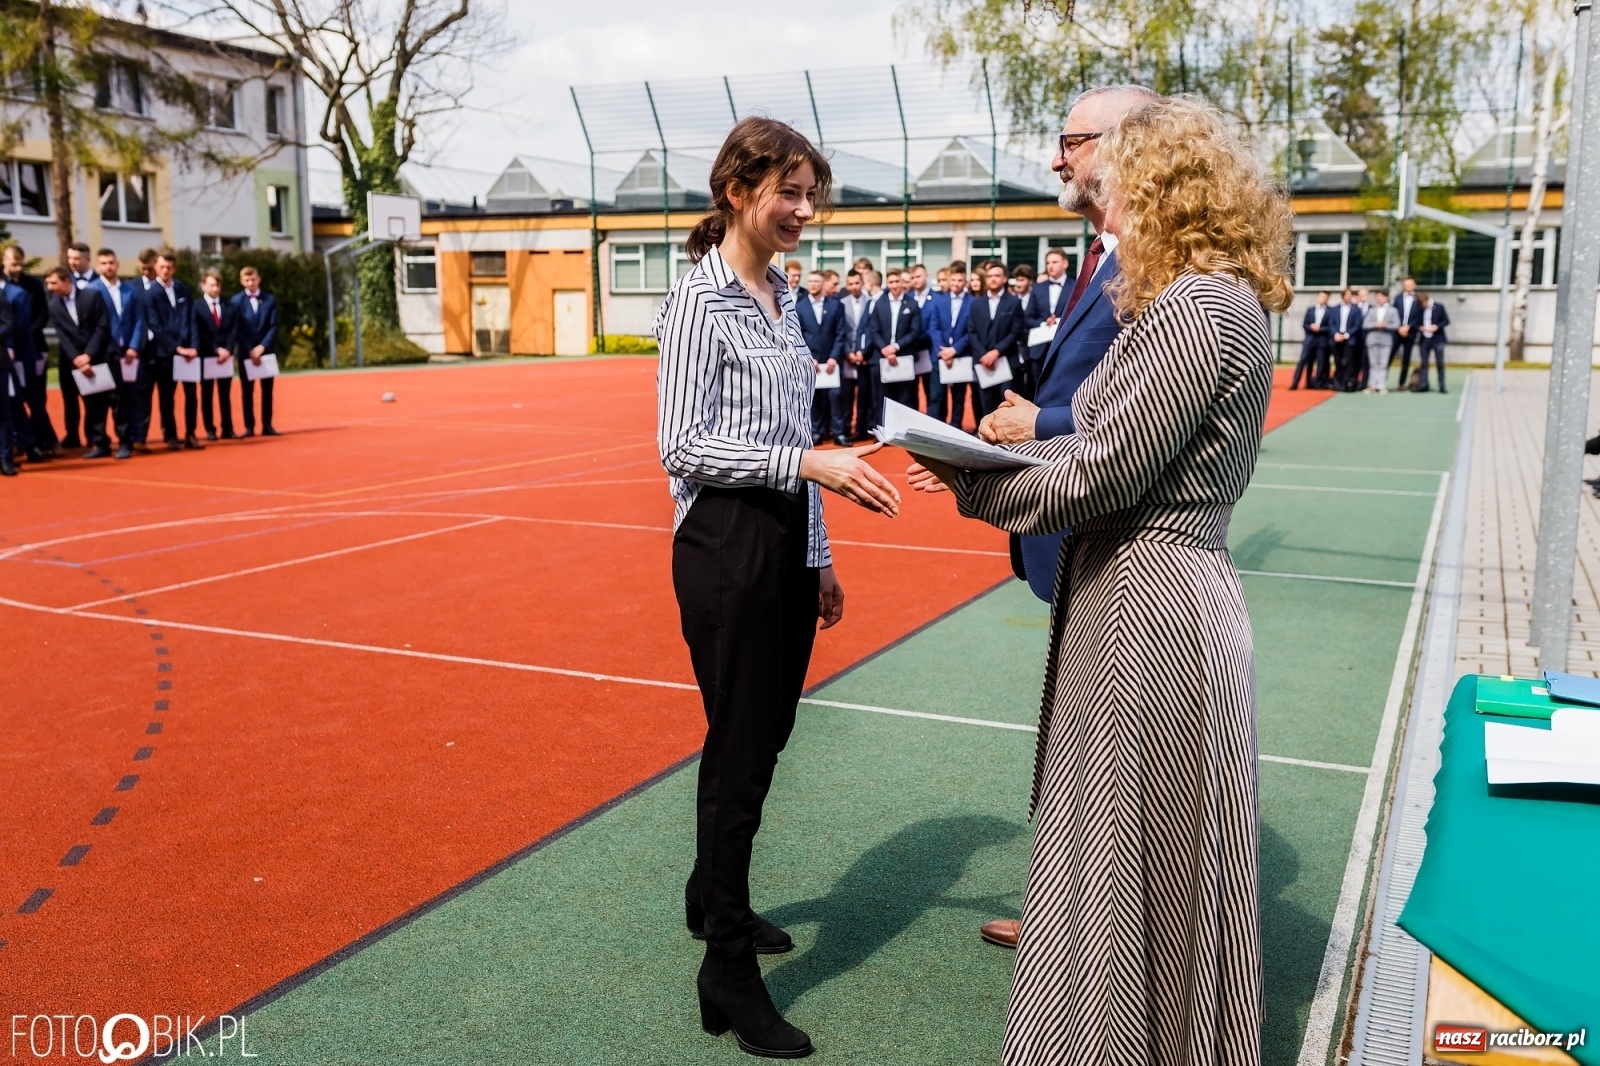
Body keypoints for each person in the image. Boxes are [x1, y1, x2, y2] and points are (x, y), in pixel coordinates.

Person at [908, 94, 1289, 1066]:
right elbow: (1101, 442)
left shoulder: (1197, 307)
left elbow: (1102, 469)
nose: (1098, 199)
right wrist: (987, 455)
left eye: (1112, 181)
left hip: (1147, 605)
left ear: (1159, 189)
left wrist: (969, 476)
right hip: (1137, 590)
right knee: (1124, 848)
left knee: (1123, 849)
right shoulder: (1192, 301)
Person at [654, 116, 902, 1060]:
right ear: (736, 191)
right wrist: (806, 464)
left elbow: (797, 441)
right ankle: (725, 965)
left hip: (785, 540)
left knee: (762, 738)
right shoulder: (697, 302)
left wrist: (820, 554)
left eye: (811, 196)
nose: (804, 211)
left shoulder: (784, 295)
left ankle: (710, 893)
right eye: (788, 193)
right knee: (741, 750)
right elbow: (682, 446)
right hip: (724, 541)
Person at [969, 82, 1154, 950]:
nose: (1056, 159)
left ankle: (1092, 929)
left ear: (1128, 143)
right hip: (1082, 533)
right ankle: (1067, 909)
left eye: (1071, 140)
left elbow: (1130, 417)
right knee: (1078, 742)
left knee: (1106, 754)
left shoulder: (1159, 267)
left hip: (1120, 545)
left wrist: (1027, 433)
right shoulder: (1106, 254)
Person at [43, 266, 114, 459]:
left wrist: (89, 355)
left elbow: (102, 326)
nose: (50, 287)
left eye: (54, 283)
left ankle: (99, 441)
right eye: (48, 283)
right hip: (72, 361)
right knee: (70, 400)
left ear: (67, 281)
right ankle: (76, 437)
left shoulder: (92, 296)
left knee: (96, 403)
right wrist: (78, 358)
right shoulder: (53, 305)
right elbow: (62, 336)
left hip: (96, 357)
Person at [143, 250, 203, 450]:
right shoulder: (150, 293)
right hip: (166, 354)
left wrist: (194, 347)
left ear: (174, 269)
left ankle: (191, 434)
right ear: (155, 267)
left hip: (189, 354)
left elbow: (192, 319)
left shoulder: (184, 289)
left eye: (169, 267)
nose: (165, 270)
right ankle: (171, 436)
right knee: (167, 397)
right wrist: (176, 348)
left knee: (191, 396)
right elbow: (154, 325)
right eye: (162, 267)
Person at [3, 244, 56, 458]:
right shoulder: (3, 286)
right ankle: (17, 442)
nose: (17, 268)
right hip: (6, 352)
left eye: (20, 264)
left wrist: (26, 335)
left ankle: (44, 440)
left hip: (27, 351)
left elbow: (41, 315)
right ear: (4, 262)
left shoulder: (30, 286)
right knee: (10, 400)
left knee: (32, 397)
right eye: (14, 264)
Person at [93, 249, 145, 458]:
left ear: (117, 264)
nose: (108, 266)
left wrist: (133, 346)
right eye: (104, 263)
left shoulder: (130, 290)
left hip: (126, 354)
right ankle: (100, 443)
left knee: (123, 400)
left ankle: (125, 441)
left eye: (111, 262)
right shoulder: (91, 290)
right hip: (102, 353)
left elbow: (139, 319)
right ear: (98, 266)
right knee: (98, 401)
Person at [967, 260, 1026, 421]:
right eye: (990, 276)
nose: (993, 279)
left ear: (1004, 278)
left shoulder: (1014, 302)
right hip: (983, 362)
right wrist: (983, 355)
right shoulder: (976, 304)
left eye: (997, 275)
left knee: (1005, 406)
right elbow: (972, 332)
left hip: (1006, 361)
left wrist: (996, 352)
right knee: (986, 405)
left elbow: (1016, 332)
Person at [866, 266, 926, 420]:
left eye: (897, 281)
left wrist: (895, 347)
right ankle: (884, 430)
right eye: (891, 282)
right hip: (883, 357)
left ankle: (906, 430)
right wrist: (885, 349)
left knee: (905, 398)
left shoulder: (912, 303)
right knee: (883, 399)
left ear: (902, 282)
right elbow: (873, 330)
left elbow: (914, 332)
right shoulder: (880, 303)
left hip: (904, 357)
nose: (894, 285)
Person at [796, 269, 846, 445]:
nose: (812, 284)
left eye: (816, 281)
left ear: (823, 283)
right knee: (814, 398)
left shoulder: (836, 306)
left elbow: (841, 333)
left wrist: (834, 357)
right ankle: (816, 432)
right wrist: (809, 357)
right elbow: (798, 335)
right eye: (810, 281)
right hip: (811, 362)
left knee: (836, 397)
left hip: (832, 362)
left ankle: (839, 433)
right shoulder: (799, 306)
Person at [230, 266, 279, 437]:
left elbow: (274, 326)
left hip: (266, 351)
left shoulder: (269, 299)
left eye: (253, 279)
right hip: (246, 353)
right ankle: (249, 427)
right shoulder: (236, 301)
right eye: (247, 280)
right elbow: (237, 328)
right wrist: (250, 348)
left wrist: (262, 346)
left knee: (267, 392)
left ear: (259, 279)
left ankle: (267, 425)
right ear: (241, 281)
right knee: (247, 392)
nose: (251, 283)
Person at [57, 241, 96, 448]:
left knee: (92, 398)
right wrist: (73, 354)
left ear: (87, 259)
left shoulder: (99, 283)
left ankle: (93, 436)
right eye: (70, 258)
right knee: (69, 397)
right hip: (68, 353)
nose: (72, 262)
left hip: (91, 351)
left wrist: (89, 352)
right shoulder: (62, 282)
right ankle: (72, 434)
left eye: (77, 258)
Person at [926, 259, 974, 429]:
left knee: (958, 398)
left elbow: (971, 331)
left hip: (961, 356)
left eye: (960, 280)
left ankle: (955, 429)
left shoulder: (973, 302)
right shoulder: (939, 301)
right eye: (953, 280)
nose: (956, 283)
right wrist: (943, 351)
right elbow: (933, 327)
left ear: (965, 281)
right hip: (939, 356)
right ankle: (932, 430)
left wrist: (954, 350)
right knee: (935, 396)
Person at [194, 270, 238, 439]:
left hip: (226, 356)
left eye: (218, 285)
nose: (215, 288)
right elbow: (199, 331)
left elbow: (234, 328)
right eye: (212, 285)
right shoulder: (196, 306)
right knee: (207, 394)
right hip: (207, 355)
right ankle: (210, 429)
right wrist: (215, 349)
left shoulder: (229, 305)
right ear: (203, 286)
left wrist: (228, 349)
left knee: (225, 394)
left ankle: (227, 428)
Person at [837, 268, 870, 440]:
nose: (854, 286)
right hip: (847, 358)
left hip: (865, 357)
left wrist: (863, 352)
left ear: (862, 283)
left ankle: (862, 429)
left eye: (857, 283)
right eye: (850, 284)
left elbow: (871, 329)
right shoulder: (841, 303)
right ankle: (845, 428)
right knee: (846, 396)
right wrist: (847, 353)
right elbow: (840, 331)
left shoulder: (871, 302)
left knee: (864, 395)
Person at [1291, 291, 1331, 390]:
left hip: (1321, 341)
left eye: (1325, 297)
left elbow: (1330, 326)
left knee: (1321, 362)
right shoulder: (1310, 310)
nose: (1323, 299)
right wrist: (1310, 327)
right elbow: (1304, 324)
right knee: (1303, 360)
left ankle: (1316, 383)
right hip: (1310, 339)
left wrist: (1320, 329)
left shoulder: (1330, 311)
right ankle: (1295, 382)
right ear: (1318, 297)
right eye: (1321, 296)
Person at [1414, 292, 1449, 394]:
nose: (1422, 306)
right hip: (1424, 339)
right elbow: (1415, 322)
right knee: (1424, 363)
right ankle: (1423, 384)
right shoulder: (1419, 309)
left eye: (1423, 304)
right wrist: (1419, 327)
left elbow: (1446, 321)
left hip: (1438, 339)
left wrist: (1436, 327)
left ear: (1427, 300)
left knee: (1440, 363)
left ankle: (1442, 385)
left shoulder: (1439, 307)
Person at [1362, 291, 1397, 394]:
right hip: (1372, 340)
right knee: (1373, 363)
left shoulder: (1393, 310)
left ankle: (1381, 385)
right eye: (1377, 296)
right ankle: (1372, 384)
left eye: (1381, 296)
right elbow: (1365, 324)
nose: (1379, 298)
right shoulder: (1371, 310)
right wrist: (1376, 324)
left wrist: (1385, 325)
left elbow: (1396, 325)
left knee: (1383, 364)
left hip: (1386, 340)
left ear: (1386, 298)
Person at [1330, 288, 1363, 392]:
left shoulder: (1356, 309)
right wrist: (1336, 334)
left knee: (1349, 362)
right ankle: (1337, 382)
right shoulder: (1335, 309)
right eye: (1346, 294)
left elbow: (1357, 324)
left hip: (1349, 339)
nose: (1348, 296)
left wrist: (1347, 335)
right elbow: (1331, 323)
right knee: (1338, 361)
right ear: (1342, 296)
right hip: (1337, 338)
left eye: (1350, 295)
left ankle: (1347, 383)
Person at [1393, 276, 1423, 389]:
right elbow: (1394, 314)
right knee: (1389, 356)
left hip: (1410, 333)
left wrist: (1408, 327)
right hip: (1397, 332)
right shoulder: (1397, 299)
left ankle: (1401, 383)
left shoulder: (1418, 299)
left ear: (1414, 285)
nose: (1408, 286)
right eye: (1406, 285)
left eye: (1410, 284)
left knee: (1406, 359)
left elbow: (1419, 317)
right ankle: (1381, 383)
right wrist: (1399, 327)